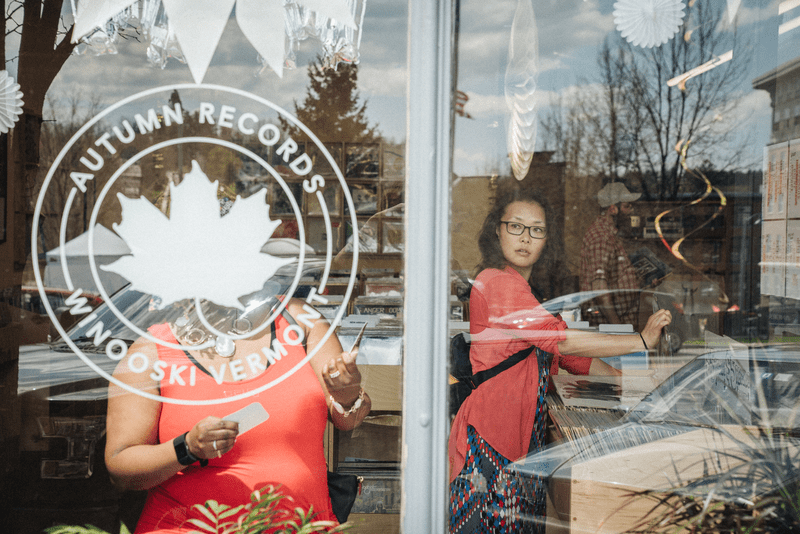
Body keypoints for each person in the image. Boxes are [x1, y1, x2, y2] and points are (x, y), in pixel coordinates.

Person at [447, 188, 671, 534]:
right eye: (515, 227)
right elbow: (561, 340)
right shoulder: (497, 283)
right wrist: (640, 341)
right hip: (495, 436)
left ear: (546, 239)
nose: (525, 238)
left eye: (537, 229)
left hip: (521, 438)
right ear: (497, 230)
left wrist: (635, 386)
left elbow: (567, 358)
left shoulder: (521, 289)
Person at [105, 295, 371, 533]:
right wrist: (187, 448)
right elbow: (121, 466)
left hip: (301, 527)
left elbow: (348, 419)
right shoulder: (152, 348)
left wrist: (347, 393)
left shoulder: (299, 320)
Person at [579, 182, 642, 327]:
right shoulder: (601, 237)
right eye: (627, 206)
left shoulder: (610, 234)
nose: (631, 211)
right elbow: (599, 290)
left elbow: (614, 277)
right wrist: (618, 327)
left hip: (619, 325)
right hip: (609, 328)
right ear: (613, 209)